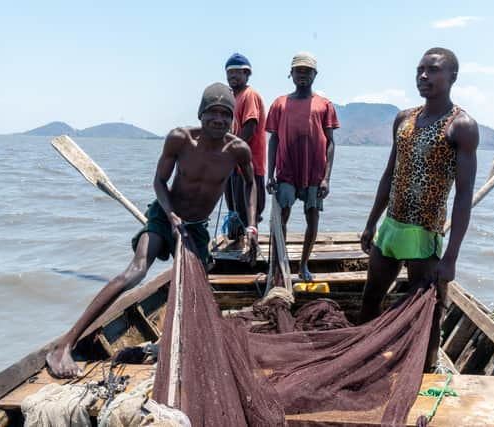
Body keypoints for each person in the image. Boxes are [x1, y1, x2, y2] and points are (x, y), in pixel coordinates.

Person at [46, 83, 258, 378]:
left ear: (232, 119)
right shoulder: (180, 139)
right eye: (212, 113)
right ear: (201, 114)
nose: (219, 120)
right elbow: (159, 182)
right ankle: (65, 344)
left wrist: (251, 225)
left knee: (195, 288)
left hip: (195, 227)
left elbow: (251, 183)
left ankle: (179, 342)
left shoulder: (238, 150)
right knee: (135, 271)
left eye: (225, 114)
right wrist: (171, 215)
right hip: (165, 214)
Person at [359, 47, 479, 369]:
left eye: (433, 70)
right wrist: (372, 223)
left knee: (427, 312)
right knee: (371, 299)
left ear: (452, 76)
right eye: (419, 70)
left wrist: (451, 257)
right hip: (391, 227)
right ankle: (359, 360)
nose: (423, 76)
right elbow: (389, 174)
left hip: (423, 234)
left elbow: (464, 196)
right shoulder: (404, 119)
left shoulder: (461, 126)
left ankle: (425, 372)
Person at [266, 52, 340, 281]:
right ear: (291, 74)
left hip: (315, 172)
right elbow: (274, 139)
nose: (302, 75)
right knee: (281, 219)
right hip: (286, 170)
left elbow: (330, 143)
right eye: (298, 70)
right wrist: (270, 174)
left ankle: (304, 265)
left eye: (307, 71)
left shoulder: (324, 105)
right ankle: (281, 265)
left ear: (315, 74)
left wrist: (327, 178)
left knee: (312, 218)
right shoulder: (280, 103)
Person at [223, 53, 267, 244]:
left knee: (250, 212)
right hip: (234, 164)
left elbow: (249, 128)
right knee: (235, 211)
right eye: (229, 73)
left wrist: (231, 150)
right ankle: (238, 245)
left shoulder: (249, 95)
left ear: (247, 74)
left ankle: (250, 249)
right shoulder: (233, 97)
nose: (233, 76)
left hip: (250, 164)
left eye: (237, 73)